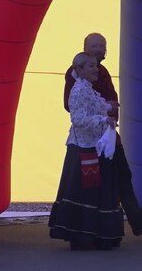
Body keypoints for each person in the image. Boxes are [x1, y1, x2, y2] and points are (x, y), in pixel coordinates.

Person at [64, 33, 142, 236]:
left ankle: (135, 221)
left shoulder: (102, 71)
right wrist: (104, 110)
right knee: (100, 184)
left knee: (121, 176)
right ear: (85, 49)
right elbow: (74, 108)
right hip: (93, 140)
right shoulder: (77, 77)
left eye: (102, 45)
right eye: (94, 45)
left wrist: (107, 110)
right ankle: (97, 230)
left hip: (108, 135)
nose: (99, 49)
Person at [49, 52, 123, 250]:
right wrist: (103, 119)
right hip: (82, 148)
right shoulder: (79, 90)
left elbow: (97, 106)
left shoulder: (88, 89)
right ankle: (82, 236)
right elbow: (78, 119)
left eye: (95, 65)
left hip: (93, 145)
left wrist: (109, 107)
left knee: (95, 191)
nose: (95, 69)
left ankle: (96, 235)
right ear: (79, 69)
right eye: (90, 66)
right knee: (85, 192)